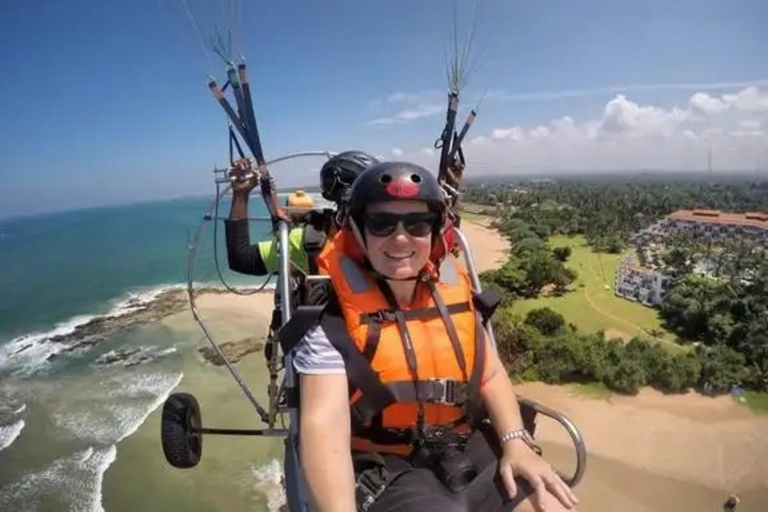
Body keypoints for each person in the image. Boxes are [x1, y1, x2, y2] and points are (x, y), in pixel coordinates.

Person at [293, 162, 579, 512]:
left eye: (416, 224)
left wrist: (516, 442)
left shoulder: (453, 298)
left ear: (434, 231)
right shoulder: (333, 320)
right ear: (357, 230)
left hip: (465, 444)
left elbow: (489, 374)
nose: (400, 237)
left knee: (551, 504)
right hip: (387, 465)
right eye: (382, 223)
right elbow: (323, 425)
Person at [224, 150, 380, 277]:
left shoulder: (312, 240)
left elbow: (241, 259)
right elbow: (243, 259)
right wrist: (240, 194)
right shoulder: (312, 241)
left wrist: (241, 195)